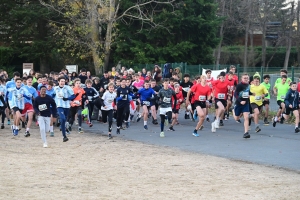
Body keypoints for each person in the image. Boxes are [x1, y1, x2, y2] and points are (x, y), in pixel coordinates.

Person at [53, 76, 76, 142]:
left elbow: (73, 96)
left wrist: (67, 98)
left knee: (64, 120)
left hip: (67, 106)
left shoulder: (67, 88)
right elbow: (52, 95)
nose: (63, 82)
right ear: (58, 82)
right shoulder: (55, 88)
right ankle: (64, 136)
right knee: (62, 118)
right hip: (59, 106)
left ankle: (64, 130)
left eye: (64, 81)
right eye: (61, 81)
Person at [232, 73, 252, 139]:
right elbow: (235, 94)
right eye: (244, 78)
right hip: (238, 103)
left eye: (247, 78)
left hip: (246, 104)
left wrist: (253, 94)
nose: (246, 79)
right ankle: (233, 110)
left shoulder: (249, 85)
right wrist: (240, 101)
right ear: (242, 79)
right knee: (236, 118)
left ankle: (246, 132)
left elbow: (248, 92)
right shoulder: (239, 85)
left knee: (246, 117)